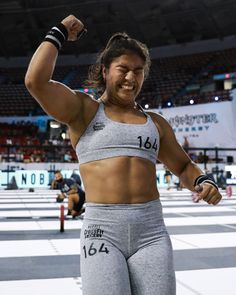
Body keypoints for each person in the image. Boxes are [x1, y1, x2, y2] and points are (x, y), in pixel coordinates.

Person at [25, 14, 222, 295]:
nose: (131, 77)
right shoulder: (84, 110)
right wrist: (58, 33)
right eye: (123, 68)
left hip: (151, 233)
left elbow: (183, 166)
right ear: (105, 71)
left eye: (138, 70)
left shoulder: (156, 123)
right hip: (102, 231)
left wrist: (205, 182)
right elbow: (35, 81)